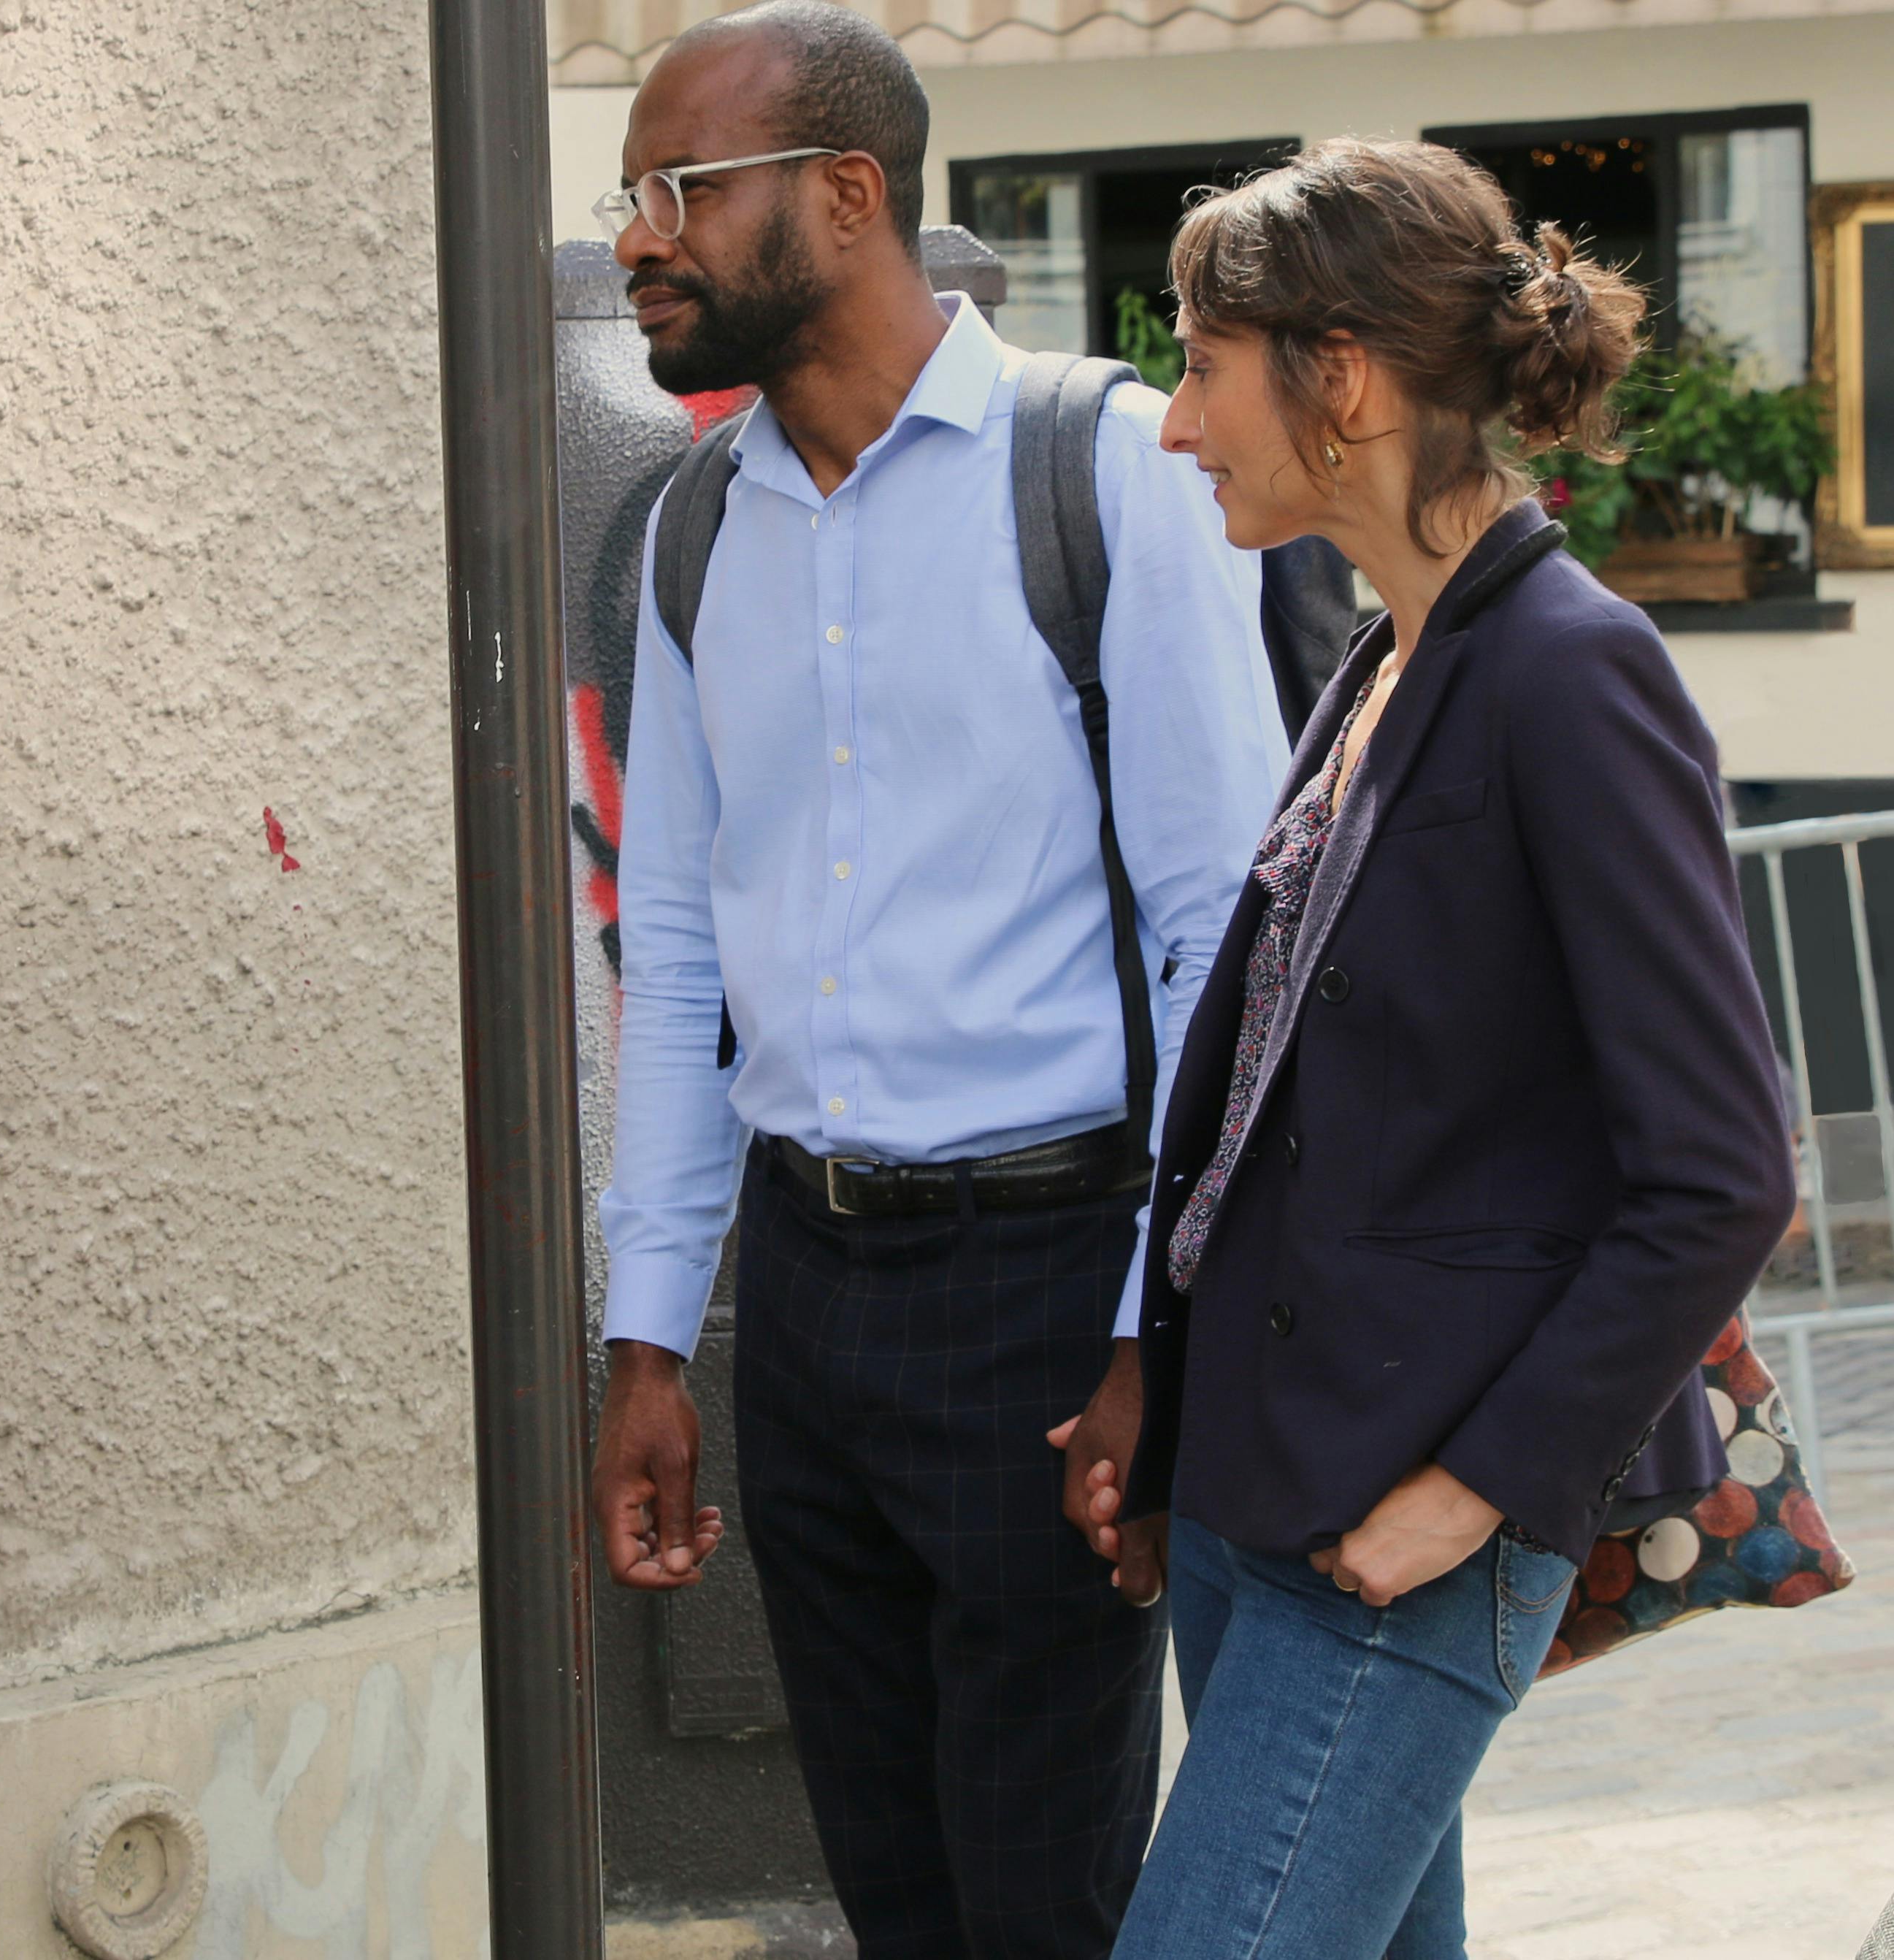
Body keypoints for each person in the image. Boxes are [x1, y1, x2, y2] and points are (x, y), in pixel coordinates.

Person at [584, 7, 1284, 1953]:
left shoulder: (1104, 468)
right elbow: (673, 964)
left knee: (1039, 1897)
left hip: (1049, 1292)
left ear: (844, 192)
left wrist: (1153, 1326)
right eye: (622, 194)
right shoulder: (688, 531)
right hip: (804, 1307)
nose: (637, 235)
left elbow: (1213, 937)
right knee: (894, 1893)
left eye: (677, 189)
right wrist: (648, 1345)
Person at [1057, 138, 1796, 1959]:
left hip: (1403, 1517)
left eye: (1203, 366)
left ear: (1343, 380)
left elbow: (1719, 1169)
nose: (1172, 424)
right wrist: (1163, 1405)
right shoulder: (1379, 659)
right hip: (1258, 1496)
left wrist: (1473, 1493)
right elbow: (1268, 1108)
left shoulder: (1567, 669)